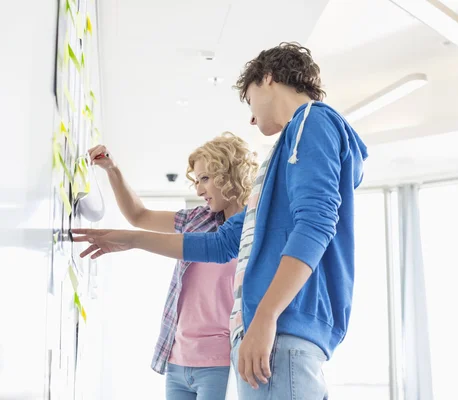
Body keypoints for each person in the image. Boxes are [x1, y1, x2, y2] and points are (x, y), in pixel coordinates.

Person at [74, 42, 368, 399]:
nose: (252, 118)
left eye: (249, 99)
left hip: (280, 333)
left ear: (268, 78)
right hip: (274, 337)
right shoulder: (285, 156)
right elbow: (220, 244)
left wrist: (264, 318)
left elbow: (317, 224)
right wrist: (130, 239)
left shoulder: (311, 121)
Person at [86, 132, 259, 400]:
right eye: (196, 180)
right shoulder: (197, 219)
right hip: (178, 360)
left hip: (221, 363)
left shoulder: (255, 229)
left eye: (205, 178)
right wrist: (113, 170)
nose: (199, 190)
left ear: (229, 176)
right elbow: (138, 216)